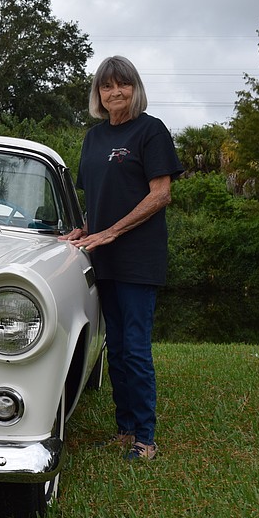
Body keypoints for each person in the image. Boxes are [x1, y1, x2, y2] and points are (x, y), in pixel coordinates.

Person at [60, 55, 184, 461]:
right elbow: (95, 197)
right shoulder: (93, 138)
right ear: (98, 94)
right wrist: (86, 229)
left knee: (134, 347)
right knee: (114, 346)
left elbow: (161, 193)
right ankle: (124, 428)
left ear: (135, 88)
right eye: (107, 86)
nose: (115, 92)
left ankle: (145, 439)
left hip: (137, 258)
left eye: (123, 85)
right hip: (102, 258)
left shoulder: (151, 131)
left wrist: (112, 231)